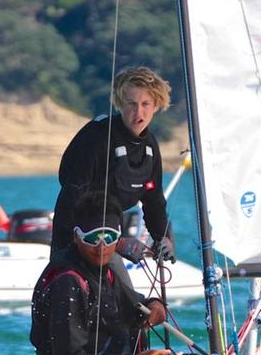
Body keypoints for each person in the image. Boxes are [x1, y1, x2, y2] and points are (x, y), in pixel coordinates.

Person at [31, 191, 195, 355]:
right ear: (76, 237)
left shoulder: (106, 273)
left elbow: (134, 306)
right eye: (92, 238)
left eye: (109, 237)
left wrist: (155, 305)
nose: (101, 246)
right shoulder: (68, 282)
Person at [51, 66, 176, 264]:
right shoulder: (98, 138)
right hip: (80, 241)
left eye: (146, 104)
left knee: (127, 293)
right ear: (119, 103)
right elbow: (71, 202)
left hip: (110, 240)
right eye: (131, 104)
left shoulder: (150, 148)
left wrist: (164, 239)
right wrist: (117, 243)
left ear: (156, 105)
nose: (138, 112)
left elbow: (154, 202)